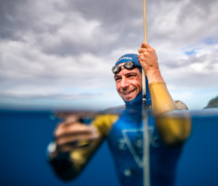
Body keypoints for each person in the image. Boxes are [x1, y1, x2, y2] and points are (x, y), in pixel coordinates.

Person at [47, 42, 191, 186]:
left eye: (131, 75)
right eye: (118, 79)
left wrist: (153, 70)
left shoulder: (178, 107)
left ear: (146, 78)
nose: (123, 85)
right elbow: (69, 174)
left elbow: (174, 136)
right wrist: (60, 154)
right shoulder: (107, 119)